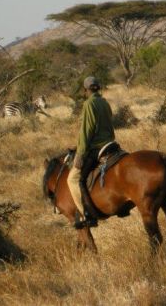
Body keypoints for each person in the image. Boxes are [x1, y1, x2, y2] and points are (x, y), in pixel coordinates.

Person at [66, 76, 115, 228]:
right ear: (98, 88)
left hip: (96, 148)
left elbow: (87, 131)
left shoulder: (89, 103)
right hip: (111, 144)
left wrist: (80, 153)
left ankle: (87, 215)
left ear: (85, 90)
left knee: (74, 179)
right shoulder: (105, 102)